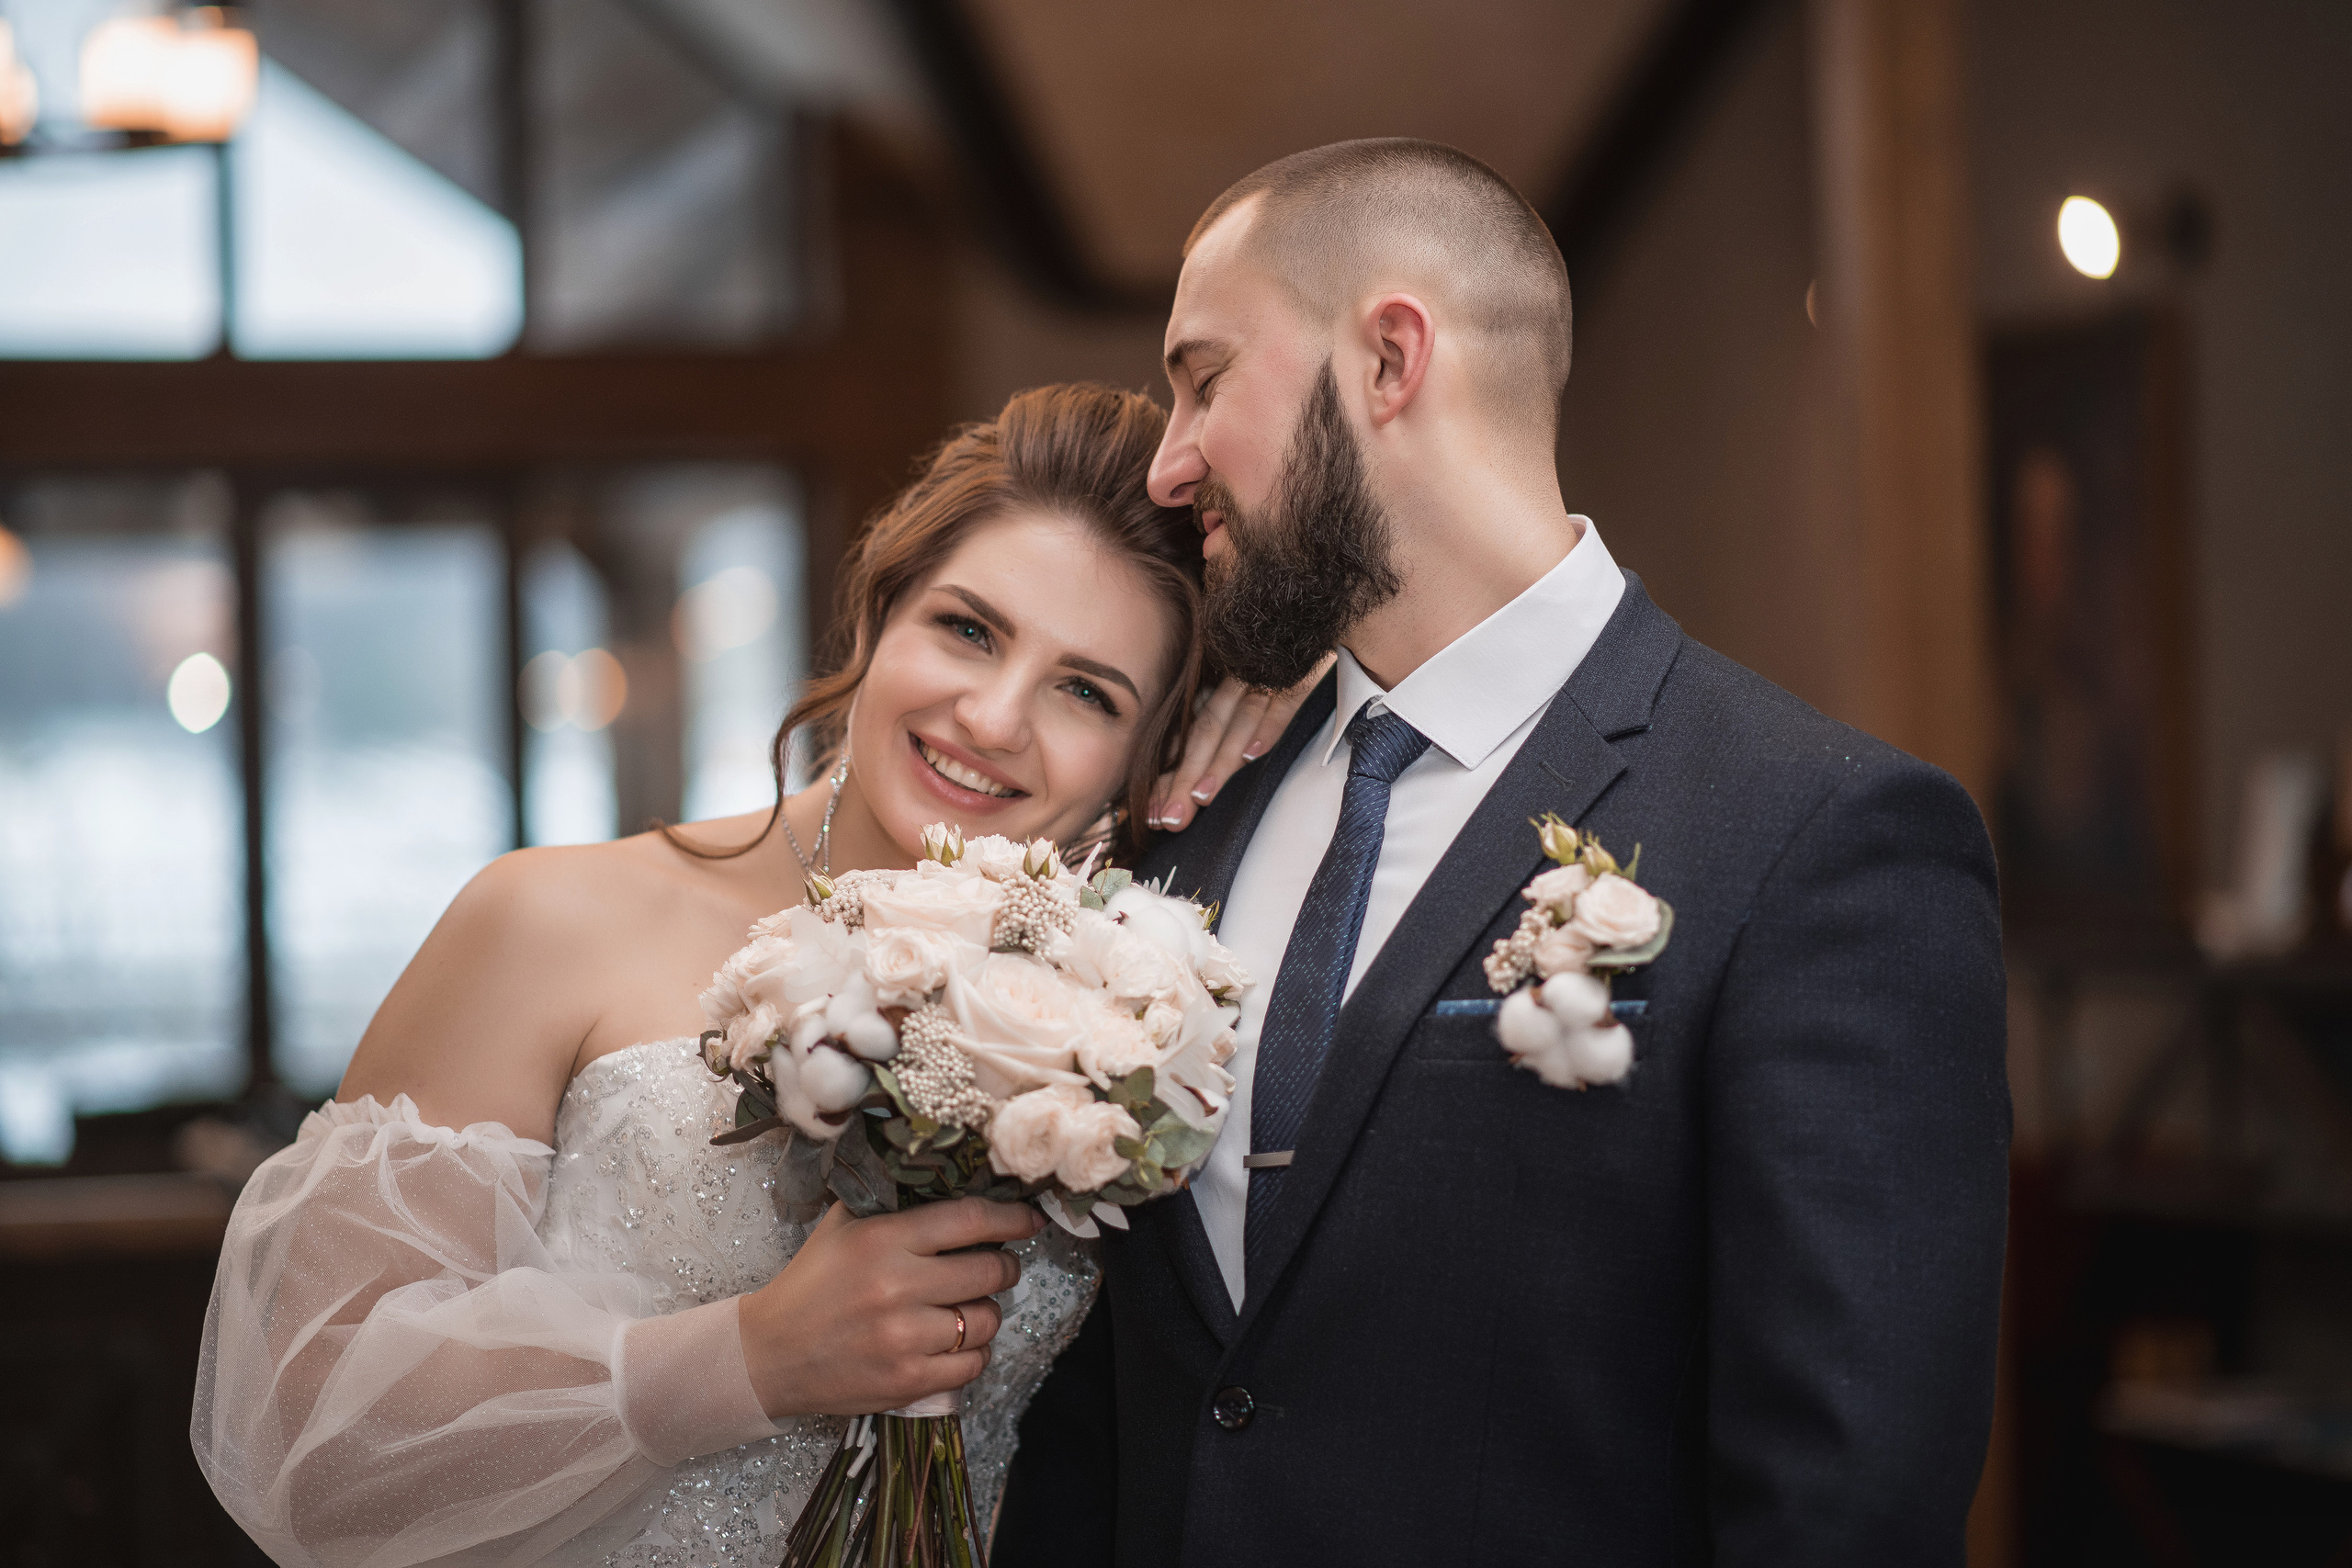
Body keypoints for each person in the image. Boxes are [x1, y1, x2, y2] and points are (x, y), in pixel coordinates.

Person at [995, 140, 2009, 1565]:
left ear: (1389, 359)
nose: (1171, 461)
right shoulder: (1192, 814)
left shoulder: (1818, 839)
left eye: (1205, 380)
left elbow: (1848, 1501)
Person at [192, 383, 1317, 1568]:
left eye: (1086, 692)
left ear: (1152, 751)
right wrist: (750, 1359)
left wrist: (1294, 691)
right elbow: (314, 1442)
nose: (993, 718)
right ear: (878, 614)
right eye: (967, 630)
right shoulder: (547, 919)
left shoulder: (1129, 1020)